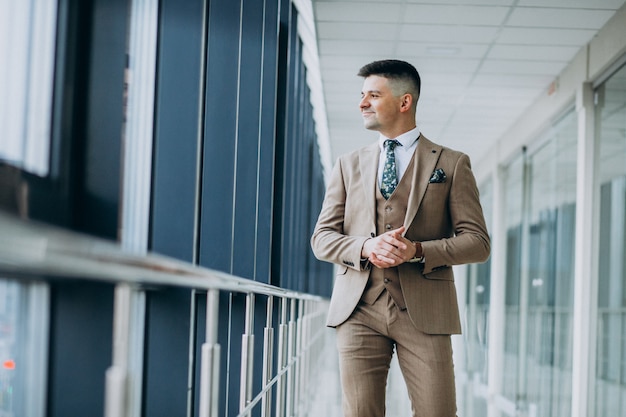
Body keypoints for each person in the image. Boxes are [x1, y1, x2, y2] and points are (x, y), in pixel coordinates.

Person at [310, 59, 490, 417]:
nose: (362, 103)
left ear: (404, 102)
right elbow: (322, 238)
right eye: (362, 95)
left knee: (437, 411)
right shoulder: (348, 164)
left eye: (373, 95)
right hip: (358, 308)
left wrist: (418, 250)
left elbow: (477, 242)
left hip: (425, 309)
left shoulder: (452, 164)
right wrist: (365, 246)